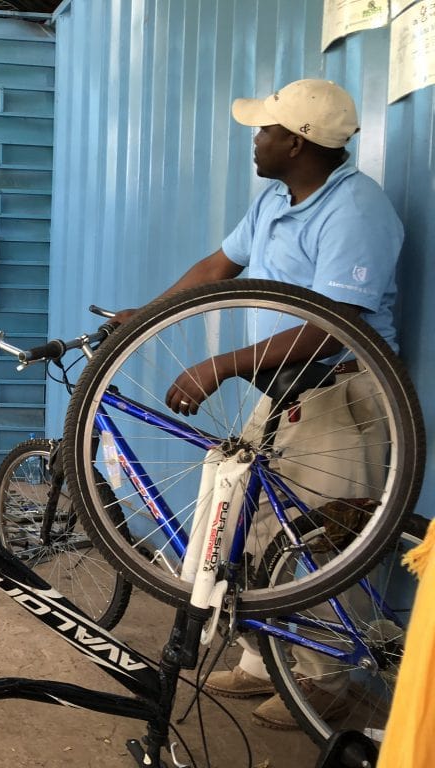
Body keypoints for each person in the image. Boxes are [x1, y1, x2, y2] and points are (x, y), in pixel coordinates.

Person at [113, 79, 403, 729]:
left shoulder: (356, 210)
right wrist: (147, 316)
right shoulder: (276, 199)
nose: (256, 139)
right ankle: (259, 659)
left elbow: (332, 325)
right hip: (281, 394)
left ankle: (330, 681)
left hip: (342, 394)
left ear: (296, 142)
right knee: (240, 521)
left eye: (265, 130)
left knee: (319, 544)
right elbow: (218, 267)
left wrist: (220, 365)